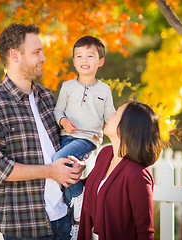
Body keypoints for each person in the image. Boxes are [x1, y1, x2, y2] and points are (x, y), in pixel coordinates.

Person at [0, 23, 85, 239]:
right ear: (15, 56)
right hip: (25, 226)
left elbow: (61, 145)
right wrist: (50, 171)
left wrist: (75, 162)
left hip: (63, 218)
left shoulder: (47, 97)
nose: (43, 58)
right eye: (36, 52)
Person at [52, 36, 115, 237]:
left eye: (90, 55)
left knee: (56, 161)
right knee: (63, 172)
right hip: (66, 136)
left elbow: (111, 117)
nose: (84, 59)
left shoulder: (104, 90)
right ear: (74, 61)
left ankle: (79, 196)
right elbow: (57, 111)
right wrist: (63, 122)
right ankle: (76, 222)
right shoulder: (67, 86)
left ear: (100, 61)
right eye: (79, 56)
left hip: (87, 140)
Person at [77, 101, 162, 240]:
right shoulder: (105, 153)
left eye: (116, 113)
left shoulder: (137, 175)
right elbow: (94, 186)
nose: (110, 115)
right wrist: (73, 172)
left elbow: (145, 232)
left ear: (128, 126)